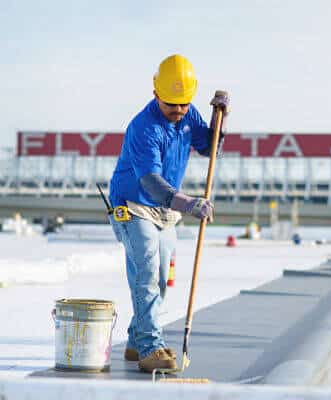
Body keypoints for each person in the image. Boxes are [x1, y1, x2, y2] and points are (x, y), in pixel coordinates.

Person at [108, 54, 229, 372]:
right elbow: (150, 183)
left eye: (183, 104)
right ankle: (150, 348)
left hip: (164, 211)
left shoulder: (190, 116)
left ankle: (135, 342)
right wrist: (189, 203)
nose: (177, 111)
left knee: (161, 279)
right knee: (146, 274)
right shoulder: (144, 128)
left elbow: (211, 147)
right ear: (156, 93)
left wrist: (220, 119)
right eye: (170, 104)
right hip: (132, 207)